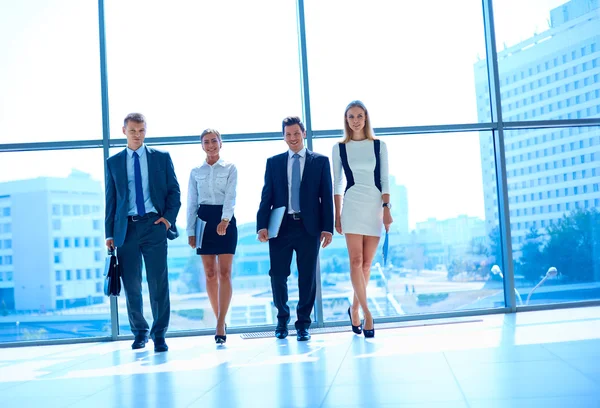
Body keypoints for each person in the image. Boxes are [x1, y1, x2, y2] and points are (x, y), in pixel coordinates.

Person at [105, 113, 181, 352]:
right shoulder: (114, 162)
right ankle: (139, 333)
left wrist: (167, 220)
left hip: (153, 225)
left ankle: (160, 335)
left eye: (141, 131)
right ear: (124, 131)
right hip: (125, 229)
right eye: (133, 131)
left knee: (158, 283)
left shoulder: (161, 158)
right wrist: (109, 233)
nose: (137, 135)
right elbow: (111, 200)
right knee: (132, 284)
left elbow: (174, 192)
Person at [256, 116, 334, 341]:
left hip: (309, 228)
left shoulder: (320, 161)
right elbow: (266, 196)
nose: (292, 138)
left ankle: (303, 324)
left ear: (304, 134)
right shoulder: (274, 162)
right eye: (288, 134)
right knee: (278, 275)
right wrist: (262, 224)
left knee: (307, 277)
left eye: (296, 134)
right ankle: (282, 320)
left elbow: (325, 198)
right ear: (283, 136)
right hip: (280, 226)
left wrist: (327, 228)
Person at [332, 100, 393, 338]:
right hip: (352, 206)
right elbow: (337, 183)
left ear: (366, 118)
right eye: (351, 117)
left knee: (367, 265)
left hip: (374, 206)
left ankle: (354, 308)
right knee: (356, 261)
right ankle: (368, 314)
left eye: (359, 116)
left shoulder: (379, 146)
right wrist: (337, 215)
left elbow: (385, 179)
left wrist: (387, 208)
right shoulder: (340, 148)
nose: (355, 120)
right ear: (346, 121)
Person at [186, 129, 238, 345]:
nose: (210, 145)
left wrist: (225, 220)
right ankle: (219, 319)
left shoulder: (230, 168)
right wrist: (190, 230)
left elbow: (231, 195)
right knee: (209, 274)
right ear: (202, 145)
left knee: (225, 273)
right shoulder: (195, 171)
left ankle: (220, 323)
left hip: (225, 218)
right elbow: (191, 201)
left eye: (214, 141)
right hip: (203, 220)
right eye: (206, 142)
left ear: (220, 143)